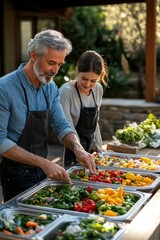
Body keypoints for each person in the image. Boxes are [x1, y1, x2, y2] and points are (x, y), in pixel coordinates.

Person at [0, 29, 96, 202]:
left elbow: (61, 125)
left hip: (42, 171)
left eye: (59, 64)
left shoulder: (50, 88)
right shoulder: (4, 88)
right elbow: (1, 142)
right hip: (14, 175)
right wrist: (44, 163)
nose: (55, 70)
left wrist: (77, 147)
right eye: (51, 63)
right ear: (33, 55)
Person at [59, 50, 108, 168]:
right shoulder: (66, 91)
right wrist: (80, 151)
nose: (87, 85)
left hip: (93, 150)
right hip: (73, 151)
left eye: (93, 81)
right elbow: (67, 125)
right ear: (77, 71)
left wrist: (99, 148)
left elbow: (95, 122)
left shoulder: (98, 89)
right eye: (84, 79)